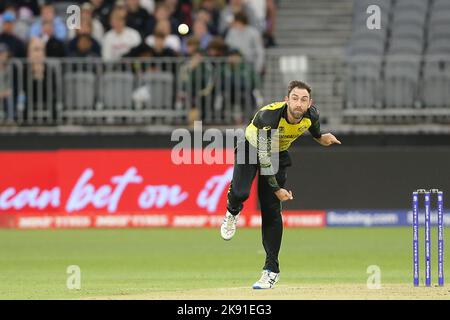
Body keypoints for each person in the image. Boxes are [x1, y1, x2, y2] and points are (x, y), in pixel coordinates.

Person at [220, 80, 341, 289]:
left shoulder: (311, 115)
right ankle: (232, 212)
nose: (298, 104)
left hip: (277, 154)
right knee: (240, 193)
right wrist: (277, 189)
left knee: (271, 211)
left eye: (304, 100)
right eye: (294, 98)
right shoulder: (269, 116)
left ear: (309, 103)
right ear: (287, 100)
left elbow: (316, 133)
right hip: (252, 149)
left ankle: (271, 271)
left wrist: (322, 138)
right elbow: (264, 158)